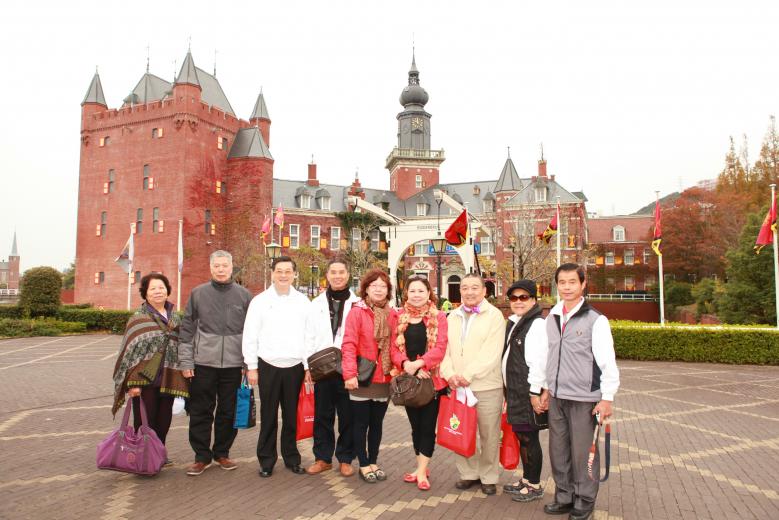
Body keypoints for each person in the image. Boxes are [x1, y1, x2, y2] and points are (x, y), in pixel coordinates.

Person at [540, 264, 619, 520]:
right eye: (562, 282)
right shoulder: (551, 317)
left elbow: (607, 362)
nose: (566, 287)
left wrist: (607, 398)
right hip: (557, 397)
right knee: (558, 451)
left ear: (583, 284)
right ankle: (564, 496)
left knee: (584, 453)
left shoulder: (596, 320)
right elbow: (548, 357)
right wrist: (545, 388)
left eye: (572, 282)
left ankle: (585, 500)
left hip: (585, 399)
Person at [179, 250, 252, 476]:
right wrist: (186, 362)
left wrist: (248, 364)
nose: (221, 270)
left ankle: (222, 453)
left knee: (228, 411)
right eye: (217, 266)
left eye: (224, 266)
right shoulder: (198, 293)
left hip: (234, 365)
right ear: (211, 268)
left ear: (231, 268)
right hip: (203, 363)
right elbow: (187, 330)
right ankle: (201, 456)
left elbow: (251, 334)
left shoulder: (244, 295)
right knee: (201, 410)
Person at [244, 256, 312, 477]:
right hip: (268, 365)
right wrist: (251, 366)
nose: (283, 275)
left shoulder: (303, 301)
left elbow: (309, 336)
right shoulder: (260, 301)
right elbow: (250, 335)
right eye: (279, 271)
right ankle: (266, 460)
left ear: (294, 274)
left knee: (291, 416)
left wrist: (307, 366)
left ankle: (292, 458)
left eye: (288, 271)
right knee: (269, 415)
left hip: (295, 366)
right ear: (272, 273)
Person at [439, 273, 506, 495]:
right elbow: (444, 349)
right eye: (465, 287)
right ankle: (468, 473)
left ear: (484, 291)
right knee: (460, 430)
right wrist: (449, 374)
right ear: (460, 291)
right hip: (458, 386)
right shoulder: (452, 316)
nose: (470, 292)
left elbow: (491, 352)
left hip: (486, 386)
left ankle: (488, 476)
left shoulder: (494, 316)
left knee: (489, 435)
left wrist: (468, 374)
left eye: (475, 287)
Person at [112, 273, 189, 461]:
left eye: (161, 288)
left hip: (169, 378)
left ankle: (158, 454)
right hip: (144, 380)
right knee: (144, 421)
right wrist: (132, 384)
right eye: (153, 288)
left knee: (164, 420)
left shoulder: (175, 318)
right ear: (145, 293)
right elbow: (129, 353)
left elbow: (182, 345)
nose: (158, 292)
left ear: (167, 291)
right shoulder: (138, 318)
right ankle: (142, 457)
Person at [390, 276, 448, 491]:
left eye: (421, 291)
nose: (416, 295)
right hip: (409, 382)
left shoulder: (439, 317)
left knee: (427, 426)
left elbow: (440, 347)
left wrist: (421, 364)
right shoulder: (399, 317)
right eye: (412, 291)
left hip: (431, 381)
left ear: (428, 293)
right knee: (415, 427)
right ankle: (420, 466)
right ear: (407, 293)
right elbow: (393, 348)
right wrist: (407, 364)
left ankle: (422, 472)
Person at [341, 268, 396, 484]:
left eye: (383, 286)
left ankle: (373, 461)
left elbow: (396, 344)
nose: (379, 290)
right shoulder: (357, 312)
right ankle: (363, 464)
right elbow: (349, 344)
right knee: (360, 423)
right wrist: (349, 374)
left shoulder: (393, 314)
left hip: (383, 377)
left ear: (388, 290)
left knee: (377, 424)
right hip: (362, 376)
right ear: (366, 289)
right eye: (374, 286)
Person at [306, 258, 359, 477]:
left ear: (348, 275)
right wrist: (307, 367)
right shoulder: (316, 304)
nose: (337, 276)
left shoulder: (357, 304)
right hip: (322, 367)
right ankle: (322, 458)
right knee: (322, 415)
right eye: (333, 272)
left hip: (347, 367)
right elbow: (308, 336)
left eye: (341, 272)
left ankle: (345, 458)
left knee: (348, 415)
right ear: (327, 275)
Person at [501, 280, 548, 502]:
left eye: (524, 297)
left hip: (526, 391)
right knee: (522, 436)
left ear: (533, 300)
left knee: (529, 438)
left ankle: (534, 485)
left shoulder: (536, 324)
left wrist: (534, 393)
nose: (518, 301)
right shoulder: (517, 321)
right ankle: (527, 479)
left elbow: (539, 362)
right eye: (514, 298)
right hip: (515, 390)